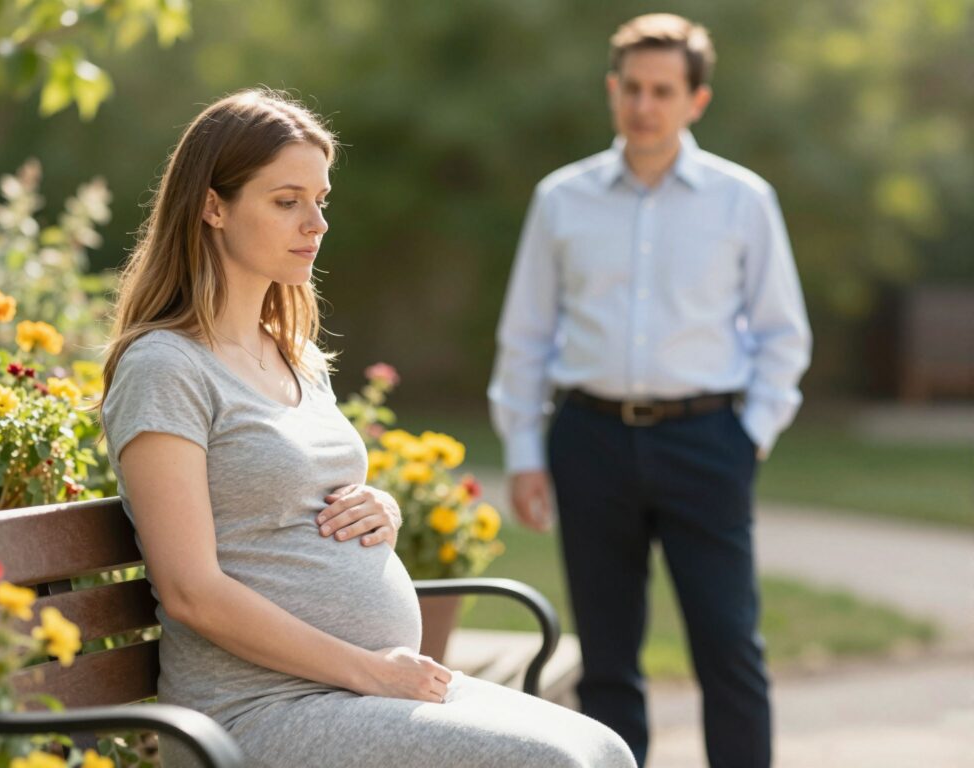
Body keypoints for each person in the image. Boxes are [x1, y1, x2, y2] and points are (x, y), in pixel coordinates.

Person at [99, 89, 635, 768]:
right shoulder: (165, 366)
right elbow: (191, 592)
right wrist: (369, 670)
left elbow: (289, 493)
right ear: (212, 206)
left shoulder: (291, 353)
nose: (315, 223)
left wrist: (375, 502)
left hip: (355, 690)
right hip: (259, 710)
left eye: (320, 199)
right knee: (554, 761)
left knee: (604, 748)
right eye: (286, 200)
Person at [488, 14, 811, 768]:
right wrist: (527, 452)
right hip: (589, 441)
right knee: (606, 659)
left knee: (728, 647)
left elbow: (782, 333)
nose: (644, 106)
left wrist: (748, 436)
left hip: (708, 443)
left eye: (663, 90)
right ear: (612, 91)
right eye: (631, 88)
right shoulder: (561, 200)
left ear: (695, 100)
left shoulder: (742, 200)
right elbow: (526, 335)